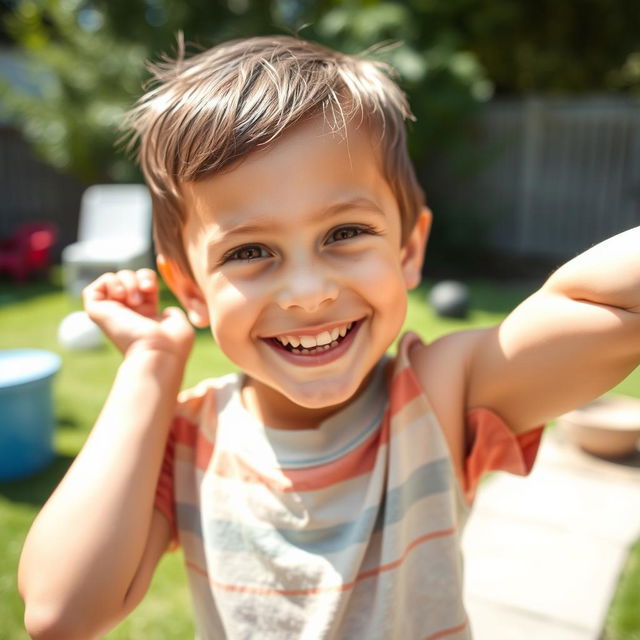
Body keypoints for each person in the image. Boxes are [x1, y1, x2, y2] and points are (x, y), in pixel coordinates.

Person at [18, 35, 640, 640]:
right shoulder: (183, 440)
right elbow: (61, 612)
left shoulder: (441, 396)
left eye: (344, 233)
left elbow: (608, 305)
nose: (307, 292)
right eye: (251, 250)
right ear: (192, 290)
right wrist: (149, 369)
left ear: (408, 250)